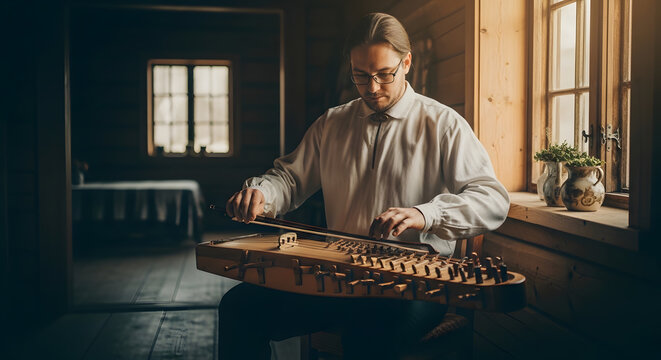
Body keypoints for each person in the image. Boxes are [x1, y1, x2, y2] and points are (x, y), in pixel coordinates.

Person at [219, 12, 509, 359]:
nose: (372, 88)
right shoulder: (333, 123)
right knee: (239, 308)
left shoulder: (443, 124)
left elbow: (492, 199)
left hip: (414, 286)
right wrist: (262, 193)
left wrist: (425, 214)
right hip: (337, 276)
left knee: (368, 332)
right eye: (360, 75)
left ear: (407, 63)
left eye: (384, 75)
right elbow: (290, 179)